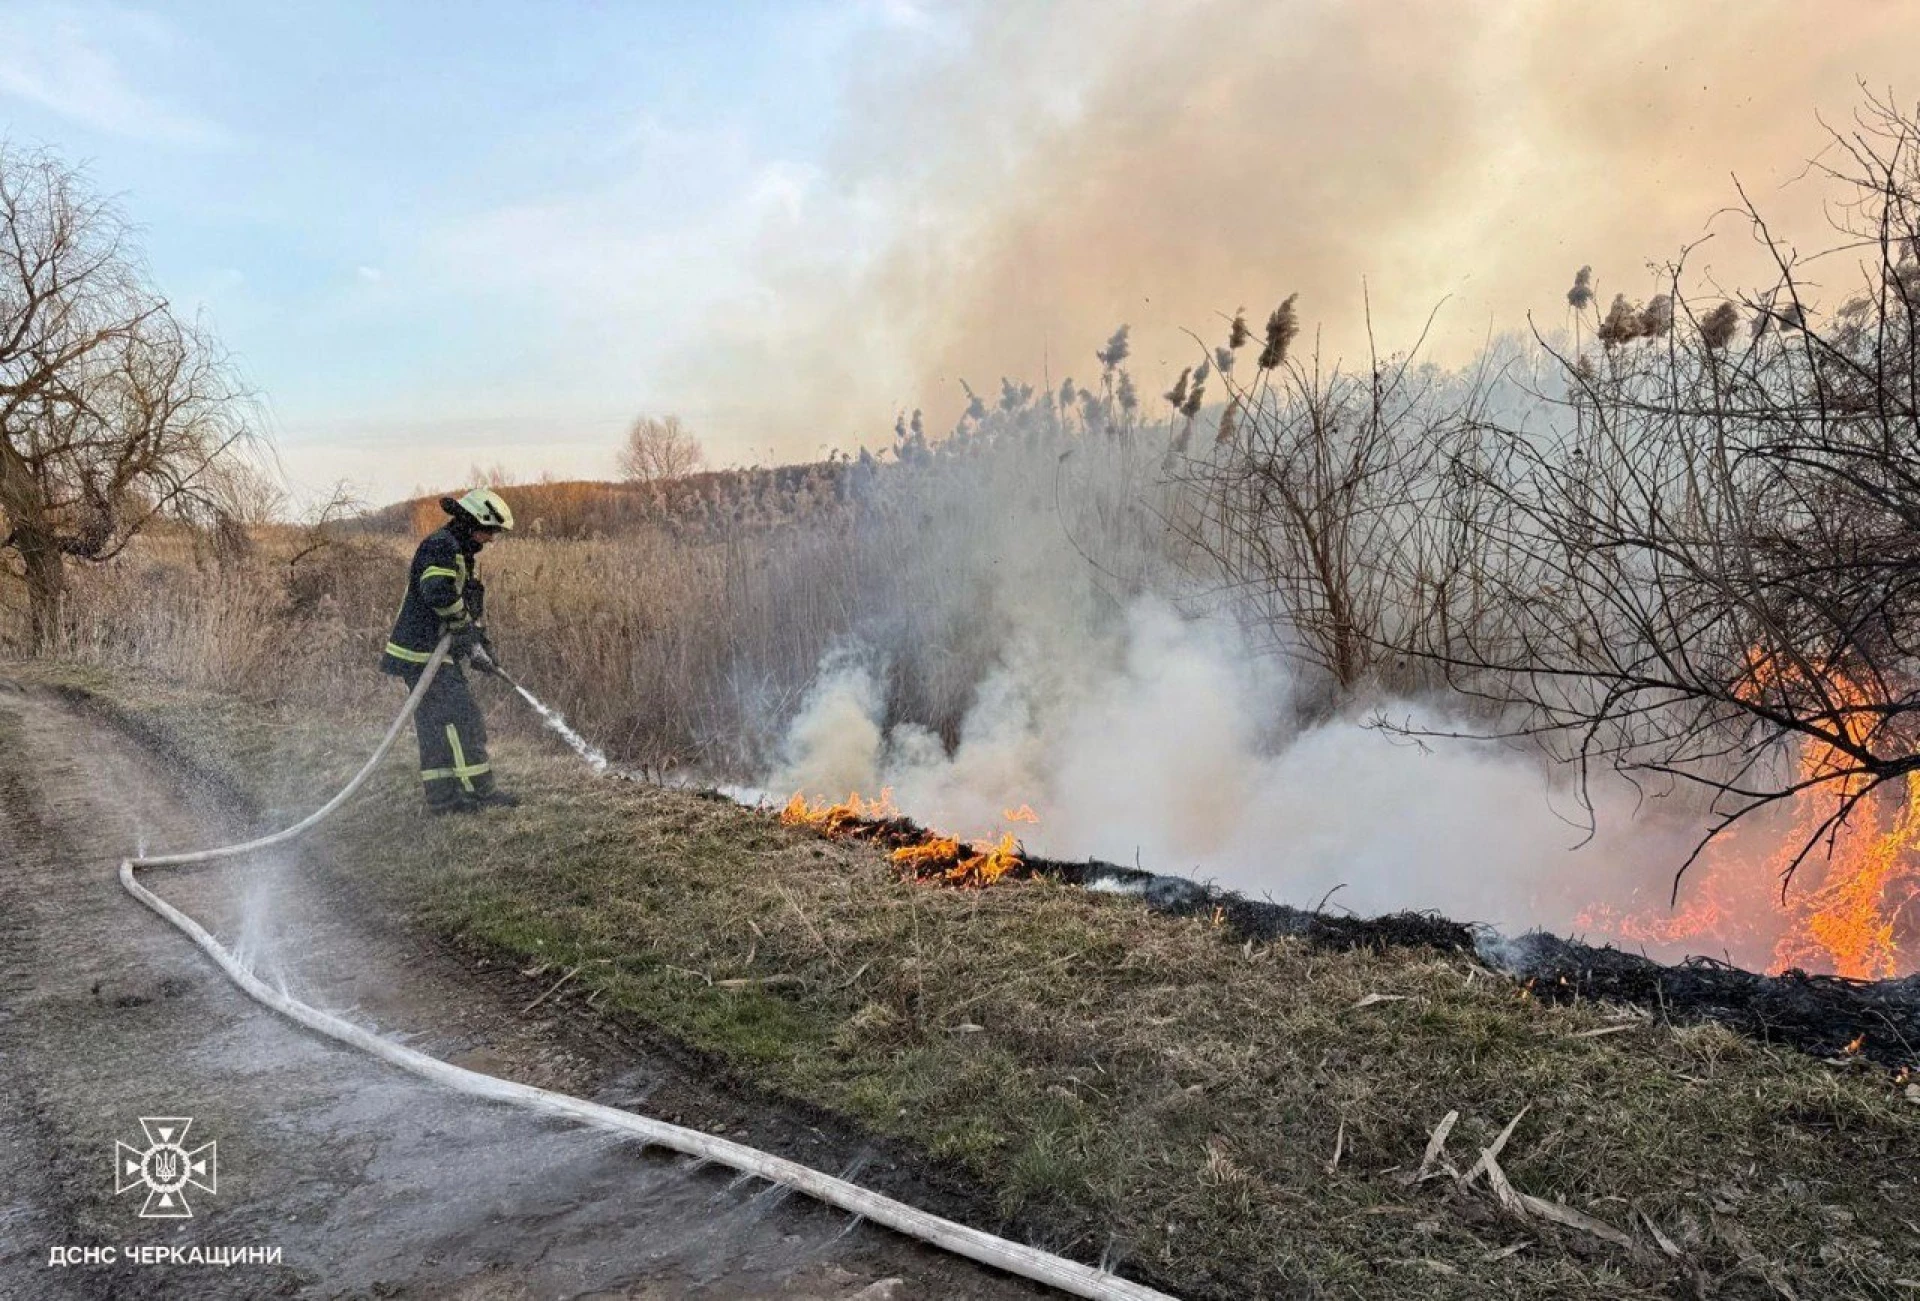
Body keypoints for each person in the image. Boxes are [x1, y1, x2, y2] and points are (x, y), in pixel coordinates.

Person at [380, 487, 521, 814]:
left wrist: (479, 644)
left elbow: (463, 606)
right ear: (474, 522)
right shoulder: (442, 546)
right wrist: (465, 630)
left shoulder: (456, 549)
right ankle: (479, 792)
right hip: (425, 653)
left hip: (426, 653)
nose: (491, 539)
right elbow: (438, 591)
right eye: (490, 531)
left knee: (434, 724)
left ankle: (443, 799)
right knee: (462, 718)